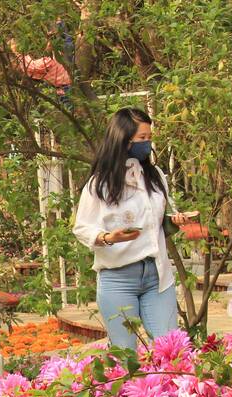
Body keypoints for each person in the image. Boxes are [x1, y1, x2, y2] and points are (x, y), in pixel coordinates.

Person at [72, 107, 184, 350]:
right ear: (123, 139)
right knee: (125, 355)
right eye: (142, 138)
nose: (147, 143)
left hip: (157, 275)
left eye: (149, 137)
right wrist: (108, 237)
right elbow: (82, 228)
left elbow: (161, 220)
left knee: (172, 350)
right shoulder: (99, 184)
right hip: (118, 279)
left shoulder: (154, 177)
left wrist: (176, 220)